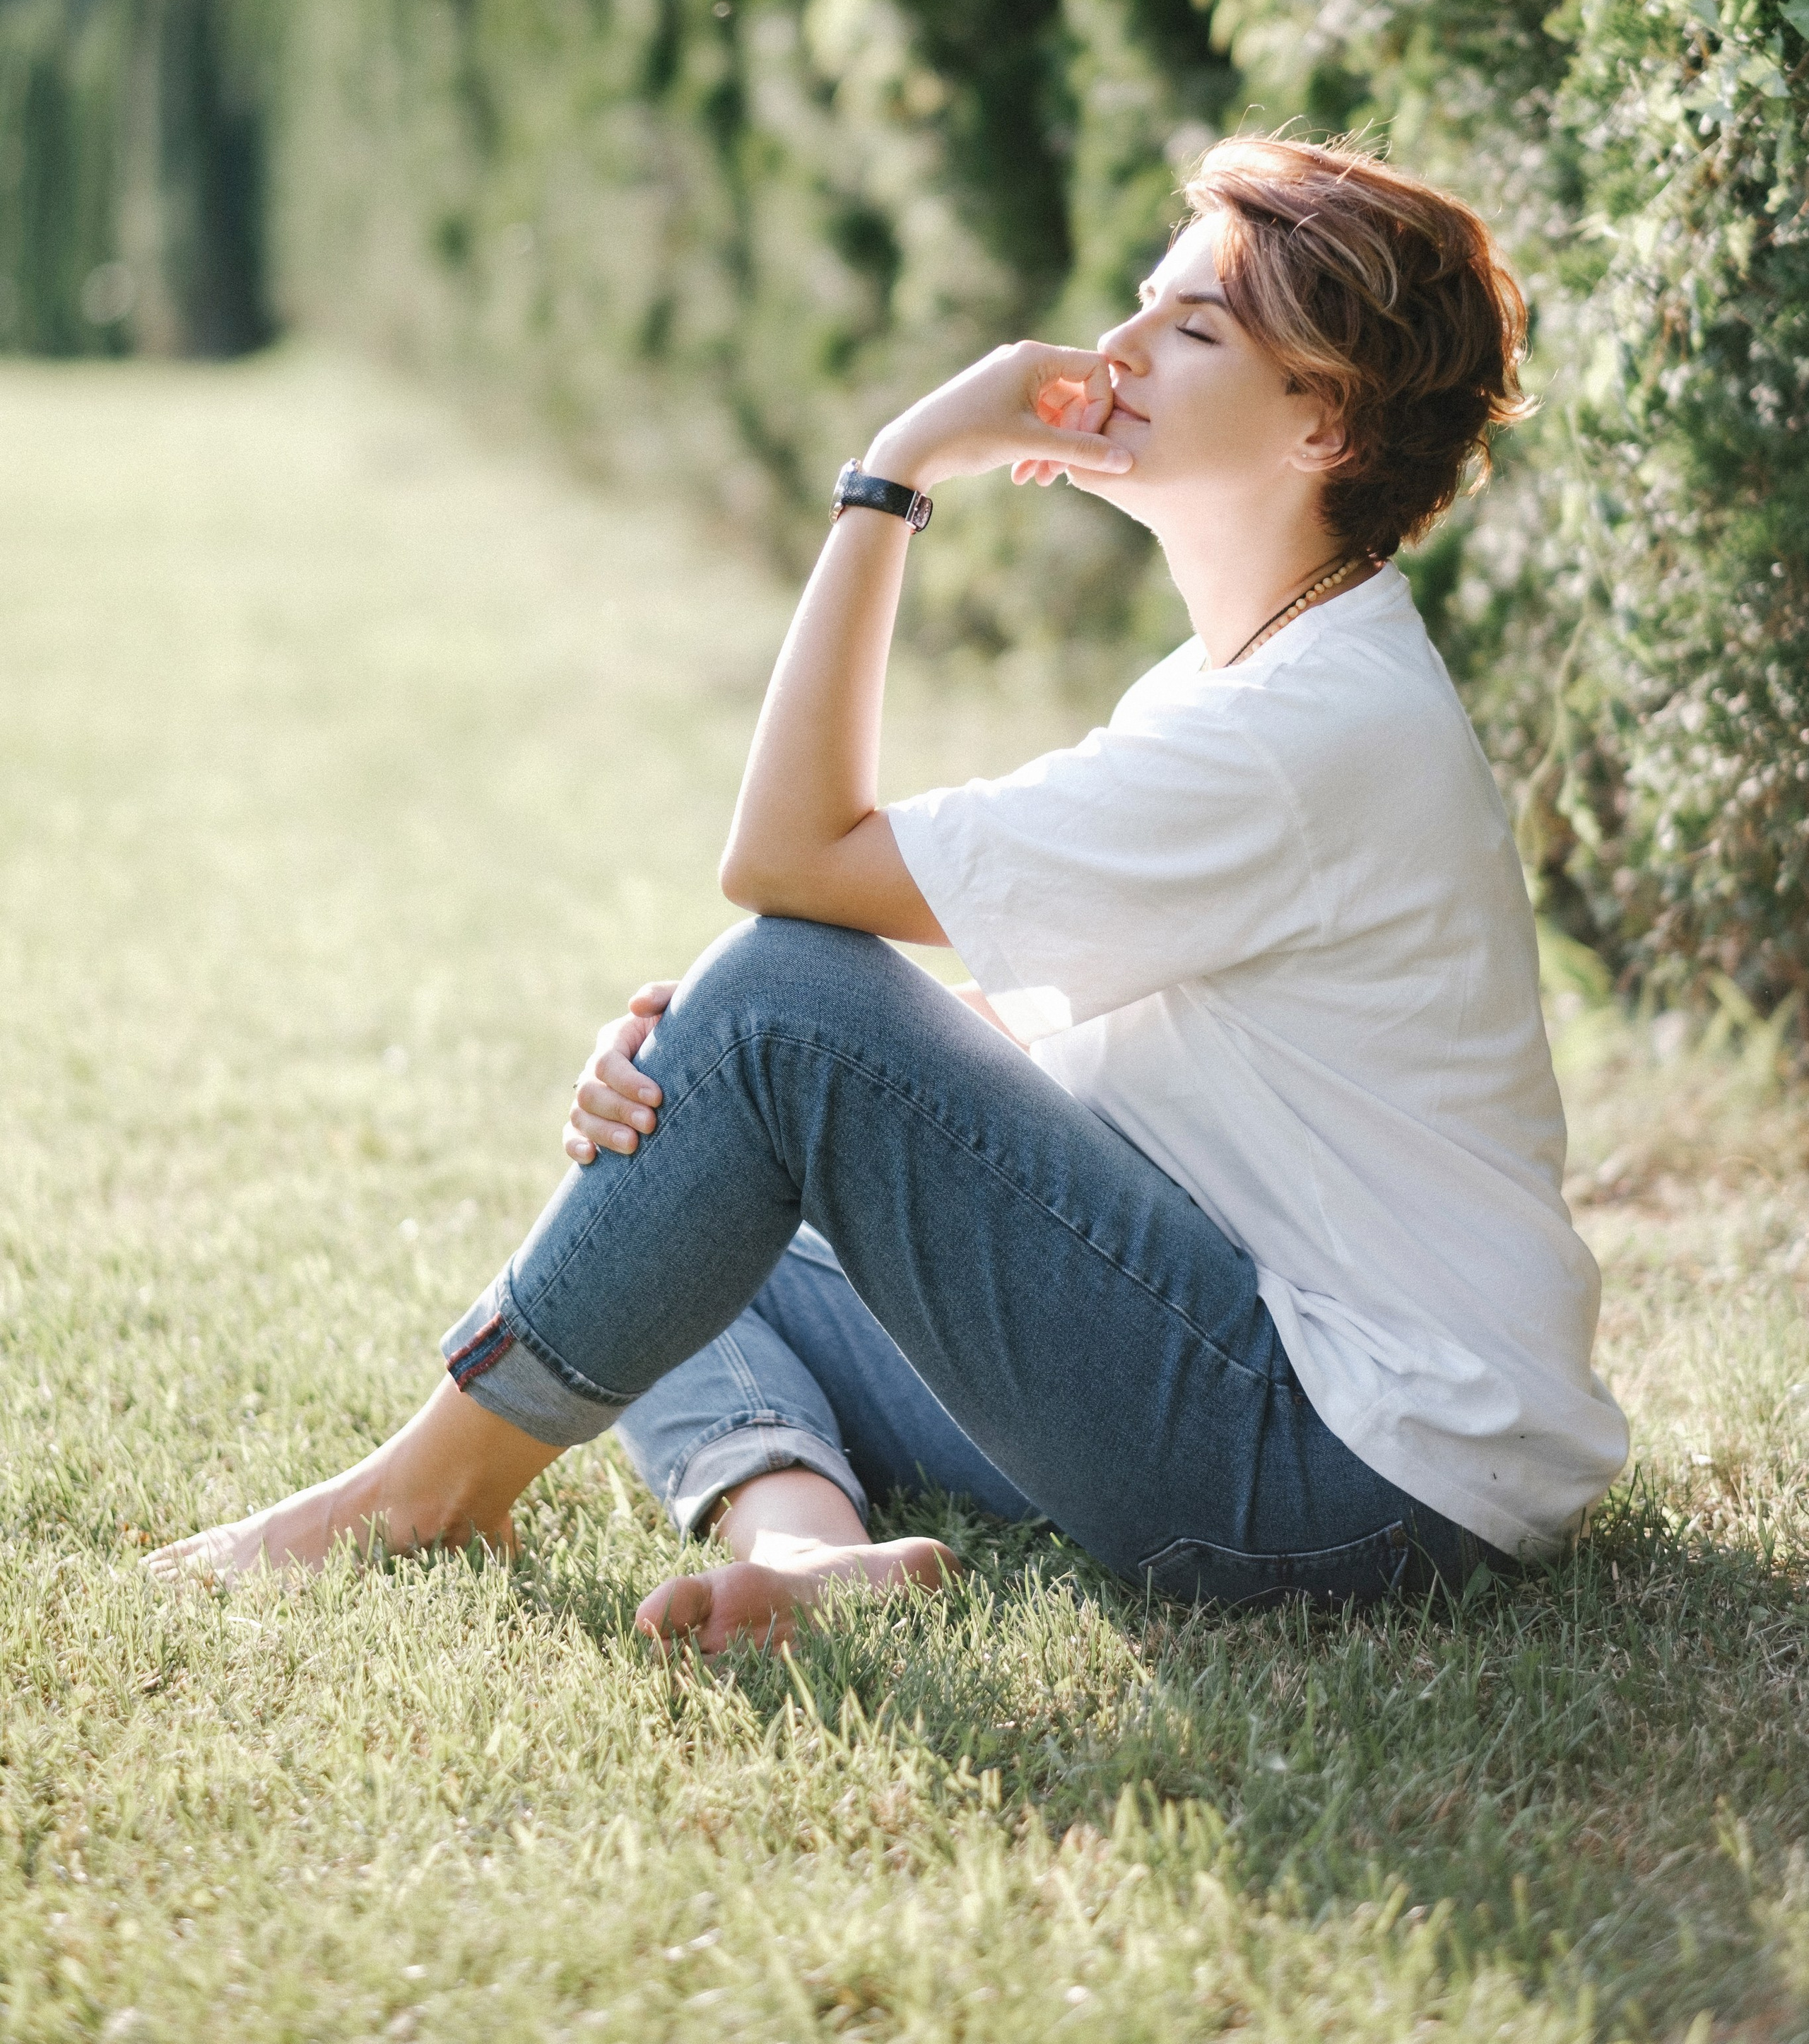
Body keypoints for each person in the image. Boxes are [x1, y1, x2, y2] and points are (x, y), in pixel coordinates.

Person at [150, 135, 1628, 1650]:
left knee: (784, 995)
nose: (1108, 352)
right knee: (700, 1236)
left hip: (1355, 1479)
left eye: (1187, 333)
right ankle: (802, 1550)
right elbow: (1022, 1040)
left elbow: (789, 862)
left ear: (1319, 422)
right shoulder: (1253, 682)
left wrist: (896, 467)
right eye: (1141, 303)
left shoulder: (1303, 730)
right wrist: (688, 1090)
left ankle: (421, 1493)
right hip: (1299, 1398)